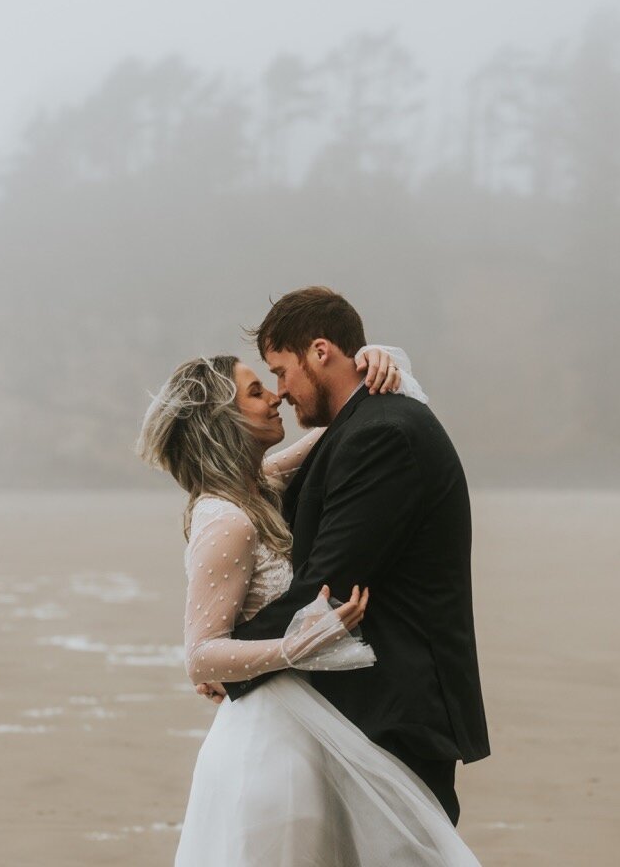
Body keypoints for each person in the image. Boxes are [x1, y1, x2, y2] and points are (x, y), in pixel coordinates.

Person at [137, 299, 483, 865]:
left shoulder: (262, 482)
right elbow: (201, 657)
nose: (275, 393)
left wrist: (380, 361)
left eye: (276, 373)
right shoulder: (226, 515)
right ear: (223, 419)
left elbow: (343, 431)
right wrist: (283, 648)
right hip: (277, 732)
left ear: (318, 352)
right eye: (257, 388)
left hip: (310, 720)